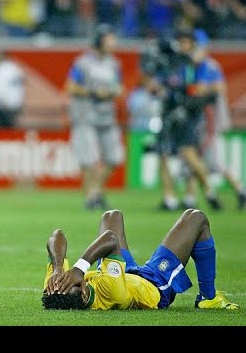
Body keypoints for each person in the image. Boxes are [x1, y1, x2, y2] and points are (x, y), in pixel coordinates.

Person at [42, 208, 239, 310]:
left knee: (111, 216)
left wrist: (58, 267)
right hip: (153, 284)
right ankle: (208, 298)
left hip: (123, 274)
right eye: (77, 283)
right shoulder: (111, 292)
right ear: (84, 295)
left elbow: (56, 235)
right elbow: (110, 238)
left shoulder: (57, 287)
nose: (71, 278)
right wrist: (79, 268)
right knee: (196, 218)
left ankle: (208, 298)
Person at [150, 30, 221, 211]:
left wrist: (187, 99)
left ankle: (208, 191)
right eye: (180, 41)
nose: (183, 45)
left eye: (186, 42)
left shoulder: (195, 65)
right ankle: (169, 198)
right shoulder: (169, 62)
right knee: (163, 154)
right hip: (168, 112)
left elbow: (202, 90)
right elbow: (157, 86)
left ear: (192, 44)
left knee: (189, 154)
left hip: (188, 114)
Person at [180, 29, 246, 209]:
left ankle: (240, 190)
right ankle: (191, 198)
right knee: (193, 157)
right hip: (199, 118)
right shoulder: (190, 67)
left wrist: (198, 90)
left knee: (213, 162)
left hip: (211, 119)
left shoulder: (209, 66)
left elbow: (217, 88)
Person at [65, 23, 124, 210]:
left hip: (107, 115)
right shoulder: (83, 63)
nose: (113, 42)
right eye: (109, 39)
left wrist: (112, 92)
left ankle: (96, 190)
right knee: (88, 158)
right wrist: (94, 92)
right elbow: (70, 86)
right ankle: (91, 196)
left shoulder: (114, 64)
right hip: (86, 115)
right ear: (99, 40)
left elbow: (120, 87)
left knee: (114, 157)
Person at [0, 49, 26, 129]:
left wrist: (0, 102)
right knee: (12, 128)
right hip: (15, 103)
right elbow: (22, 82)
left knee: (3, 130)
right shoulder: (15, 67)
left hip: (3, 105)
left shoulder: (1, 69)